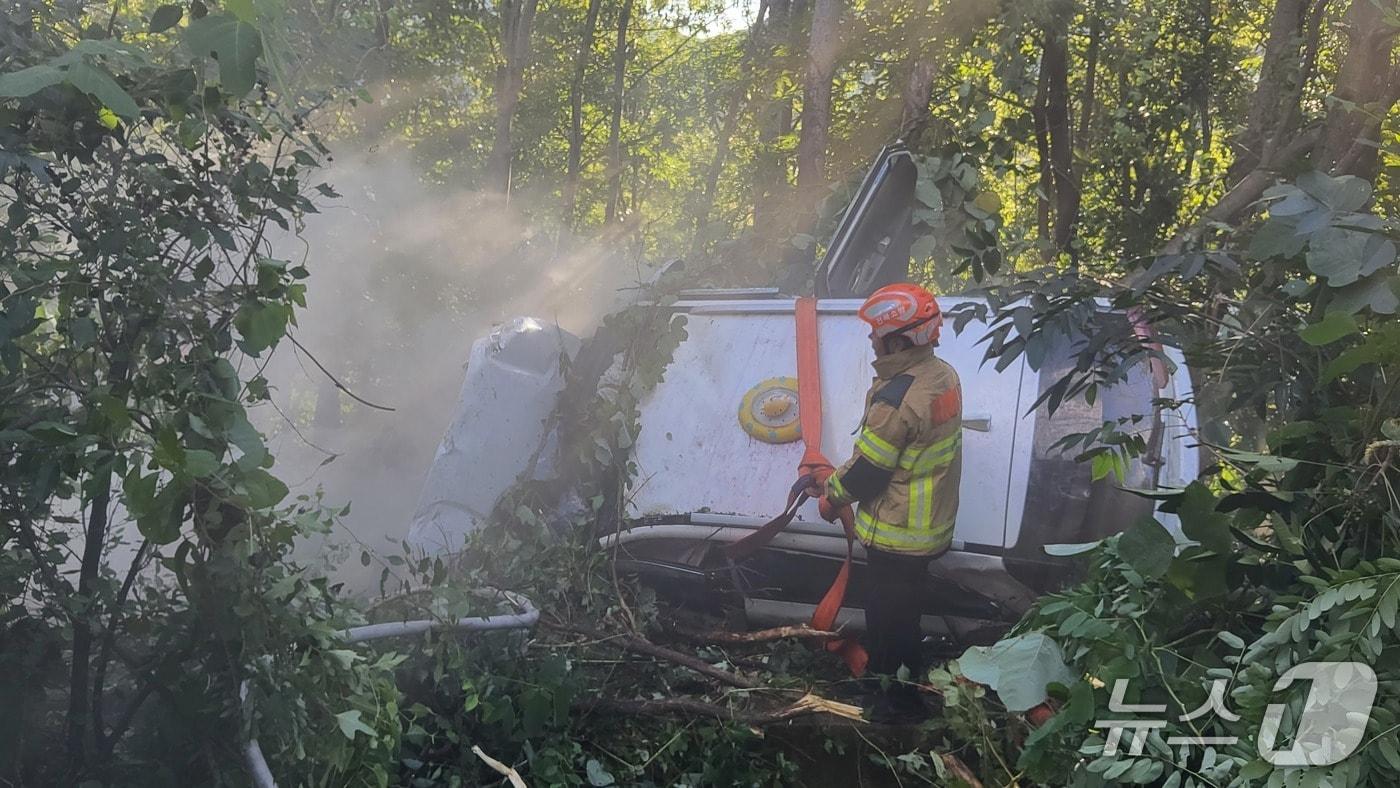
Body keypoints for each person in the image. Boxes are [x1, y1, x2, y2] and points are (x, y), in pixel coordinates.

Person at [811, 283, 963, 721]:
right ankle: (898, 688)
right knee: (905, 618)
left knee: (888, 623)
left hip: (898, 536)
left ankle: (895, 706)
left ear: (898, 340)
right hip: (929, 526)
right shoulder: (942, 375)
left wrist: (829, 496)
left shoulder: (897, 398)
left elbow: (869, 471)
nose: (871, 341)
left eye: (876, 334)